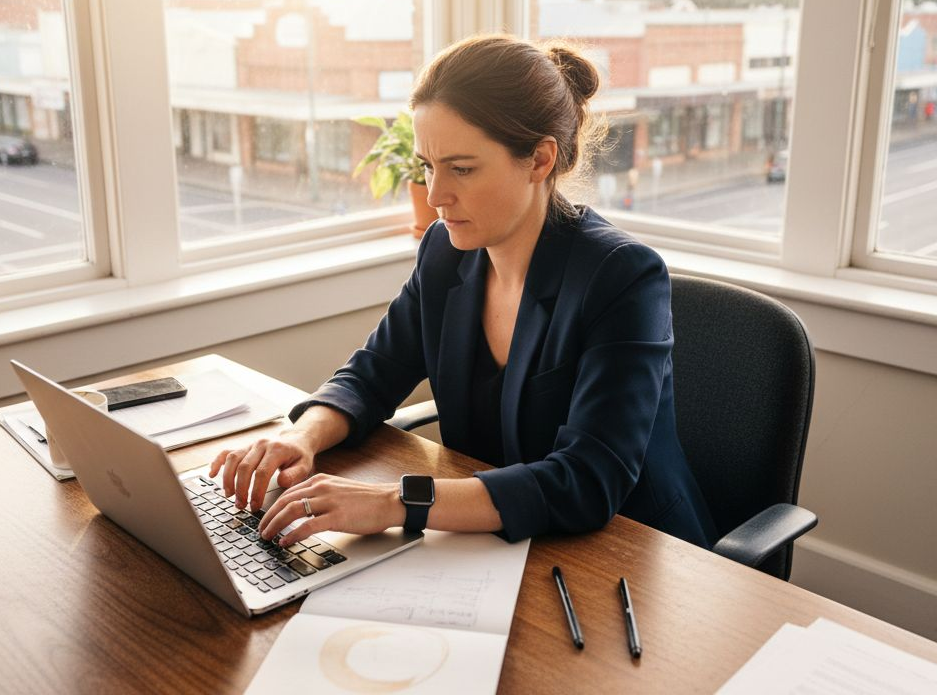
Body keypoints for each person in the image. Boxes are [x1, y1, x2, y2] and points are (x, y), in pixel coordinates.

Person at [209, 34, 717, 550]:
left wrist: (393, 502)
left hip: (632, 551)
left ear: (540, 159)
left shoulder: (621, 276)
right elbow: (373, 373)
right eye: (428, 166)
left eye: (462, 169)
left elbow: (588, 480)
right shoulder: (444, 252)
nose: (435, 195)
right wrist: (302, 436)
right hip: (494, 540)